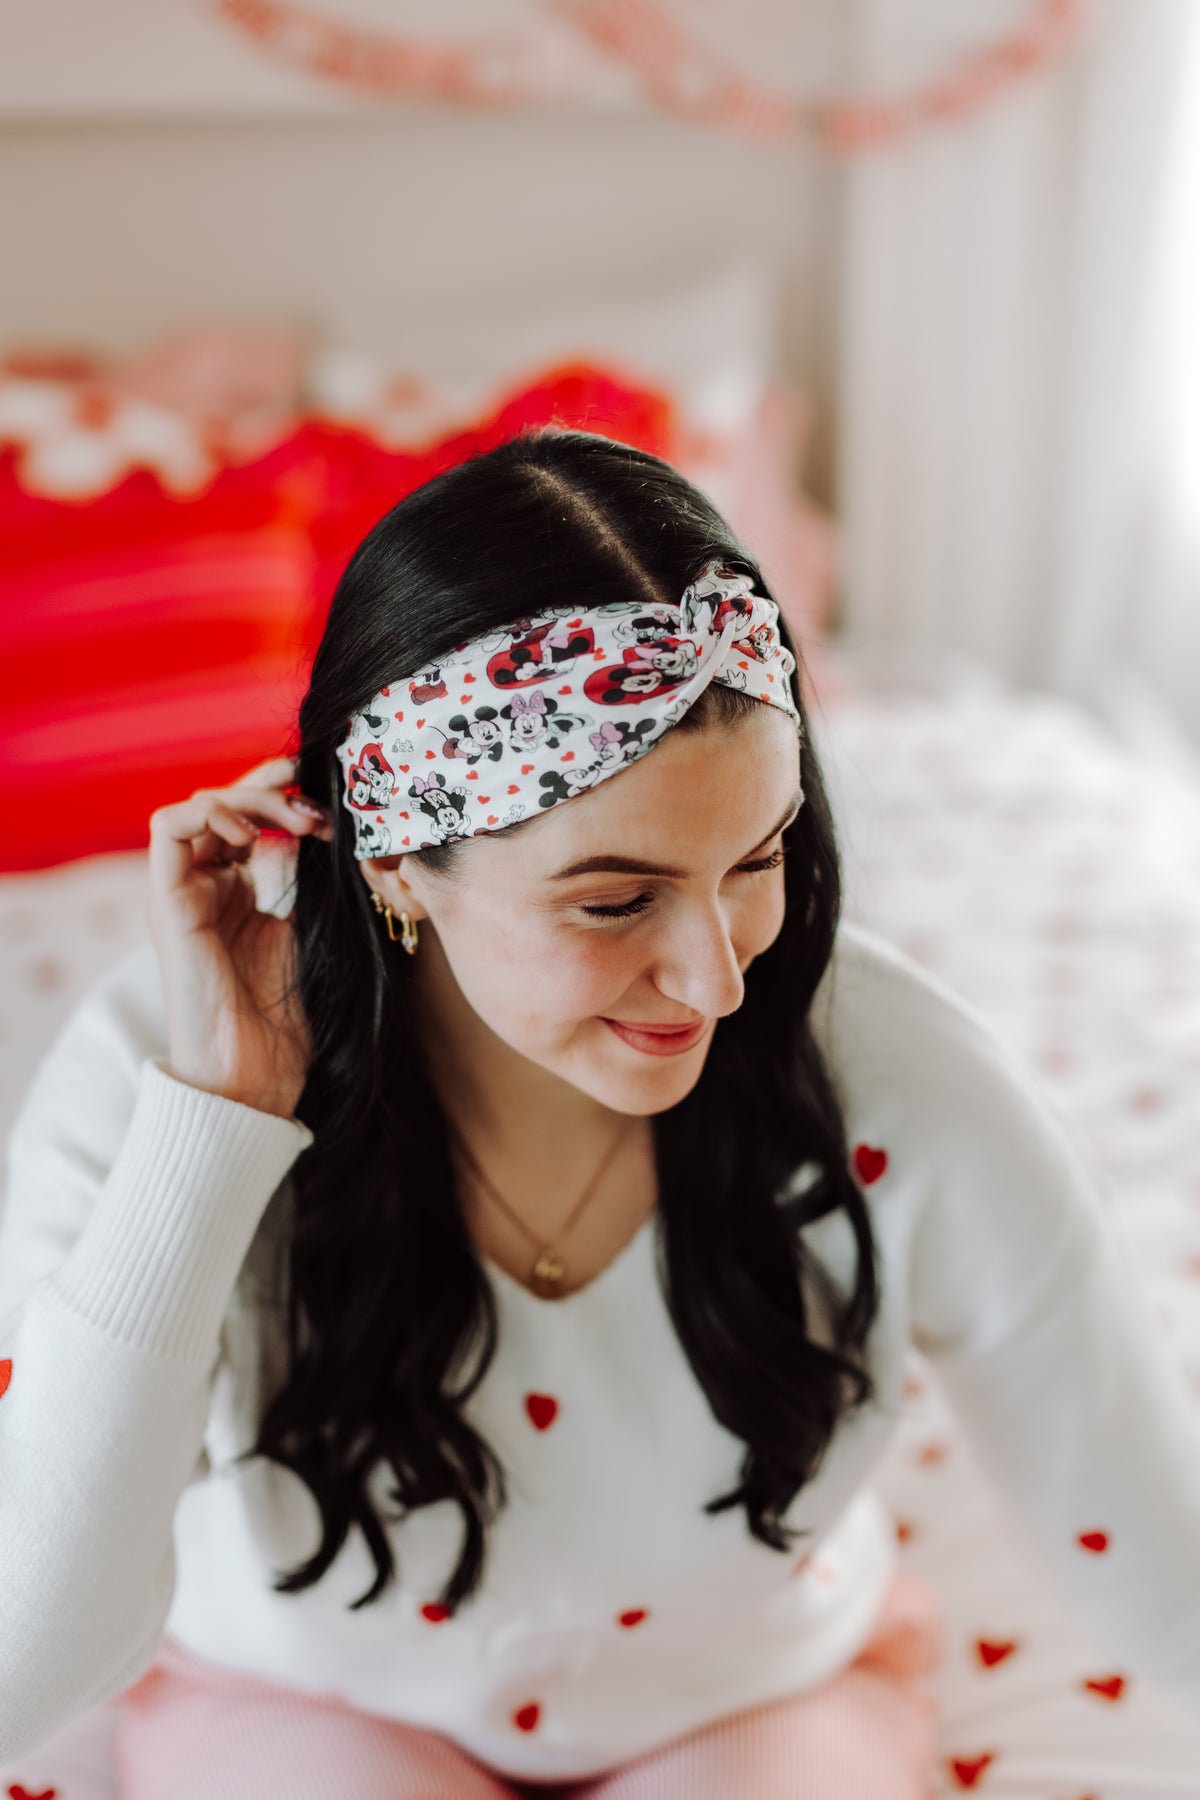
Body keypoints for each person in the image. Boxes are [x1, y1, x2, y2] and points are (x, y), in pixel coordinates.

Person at [1, 428, 1198, 1799]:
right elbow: (25, 1661)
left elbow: (1157, 1550)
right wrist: (217, 1122)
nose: (719, 978)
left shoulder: (900, 1077)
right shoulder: (157, 1068)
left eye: (756, 861)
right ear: (398, 865)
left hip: (753, 1705)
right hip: (296, 1701)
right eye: (616, 900)